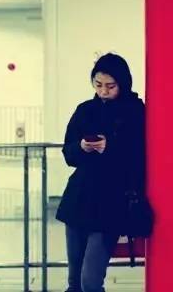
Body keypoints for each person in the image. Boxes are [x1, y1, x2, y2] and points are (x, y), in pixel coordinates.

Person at [56, 53, 146, 292]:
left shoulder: (136, 111)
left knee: (90, 281)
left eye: (110, 86)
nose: (103, 91)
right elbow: (69, 154)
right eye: (98, 85)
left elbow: (140, 157)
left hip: (111, 204)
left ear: (123, 83)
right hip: (79, 199)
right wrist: (82, 147)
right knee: (74, 282)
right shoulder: (85, 110)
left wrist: (110, 148)